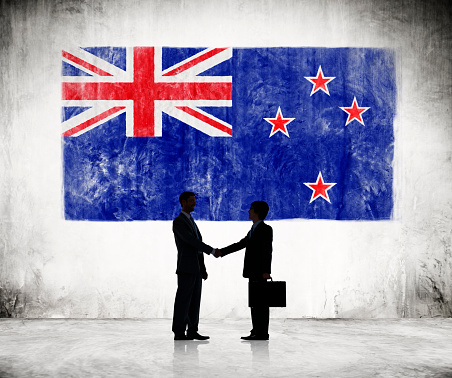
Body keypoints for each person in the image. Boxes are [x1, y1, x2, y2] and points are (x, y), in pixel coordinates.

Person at [216, 201, 273, 340]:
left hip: (260, 272)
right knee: (255, 302)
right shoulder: (253, 229)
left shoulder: (266, 229)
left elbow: (267, 251)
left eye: (251, 209)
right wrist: (221, 252)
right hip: (253, 272)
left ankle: (262, 333)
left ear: (257, 211)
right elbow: (240, 244)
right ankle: (256, 330)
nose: (248, 211)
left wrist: (266, 271)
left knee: (261, 304)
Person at [172, 192, 217, 341]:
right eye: (191, 201)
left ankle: (192, 330)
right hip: (186, 268)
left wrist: (203, 269)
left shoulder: (191, 221)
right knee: (183, 301)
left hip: (196, 269)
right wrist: (211, 250)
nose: (194, 203)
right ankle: (179, 332)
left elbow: (197, 248)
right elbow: (191, 241)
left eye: (194, 201)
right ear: (183, 202)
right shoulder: (178, 222)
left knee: (194, 301)